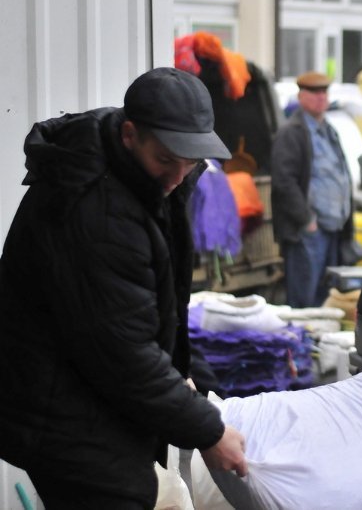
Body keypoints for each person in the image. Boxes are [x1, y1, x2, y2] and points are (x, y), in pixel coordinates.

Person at [0, 67, 248, 509]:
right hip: (58, 405)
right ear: (130, 135)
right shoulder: (97, 212)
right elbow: (124, 353)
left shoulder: (145, 179)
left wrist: (185, 377)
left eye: (190, 161)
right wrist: (209, 431)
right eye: (166, 159)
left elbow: (153, 308)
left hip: (90, 388)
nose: (177, 176)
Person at [271, 70, 359, 308]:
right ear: (301, 96)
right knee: (305, 302)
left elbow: (340, 173)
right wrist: (306, 219)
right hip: (309, 231)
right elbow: (283, 181)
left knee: (327, 298)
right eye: (314, 92)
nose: (321, 97)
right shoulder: (292, 132)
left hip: (333, 228)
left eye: (324, 92)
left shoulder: (329, 130)